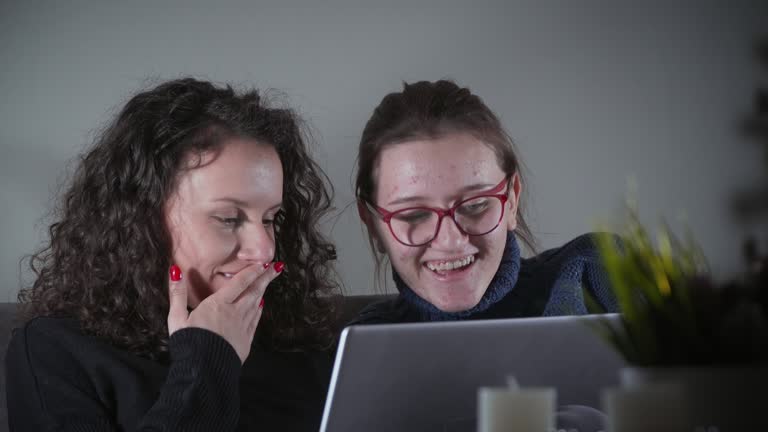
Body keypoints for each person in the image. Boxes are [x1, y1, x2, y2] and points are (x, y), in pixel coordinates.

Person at [5, 78, 339, 431]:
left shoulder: (300, 343)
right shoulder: (55, 354)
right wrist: (210, 359)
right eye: (229, 218)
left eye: (271, 218)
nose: (264, 249)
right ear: (145, 219)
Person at [351, 79, 618, 325]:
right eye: (413, 215)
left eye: (475, 205)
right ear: (372, 224)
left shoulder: (595, 271)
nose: (451, 241)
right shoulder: (359, 344)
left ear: (512, 198)